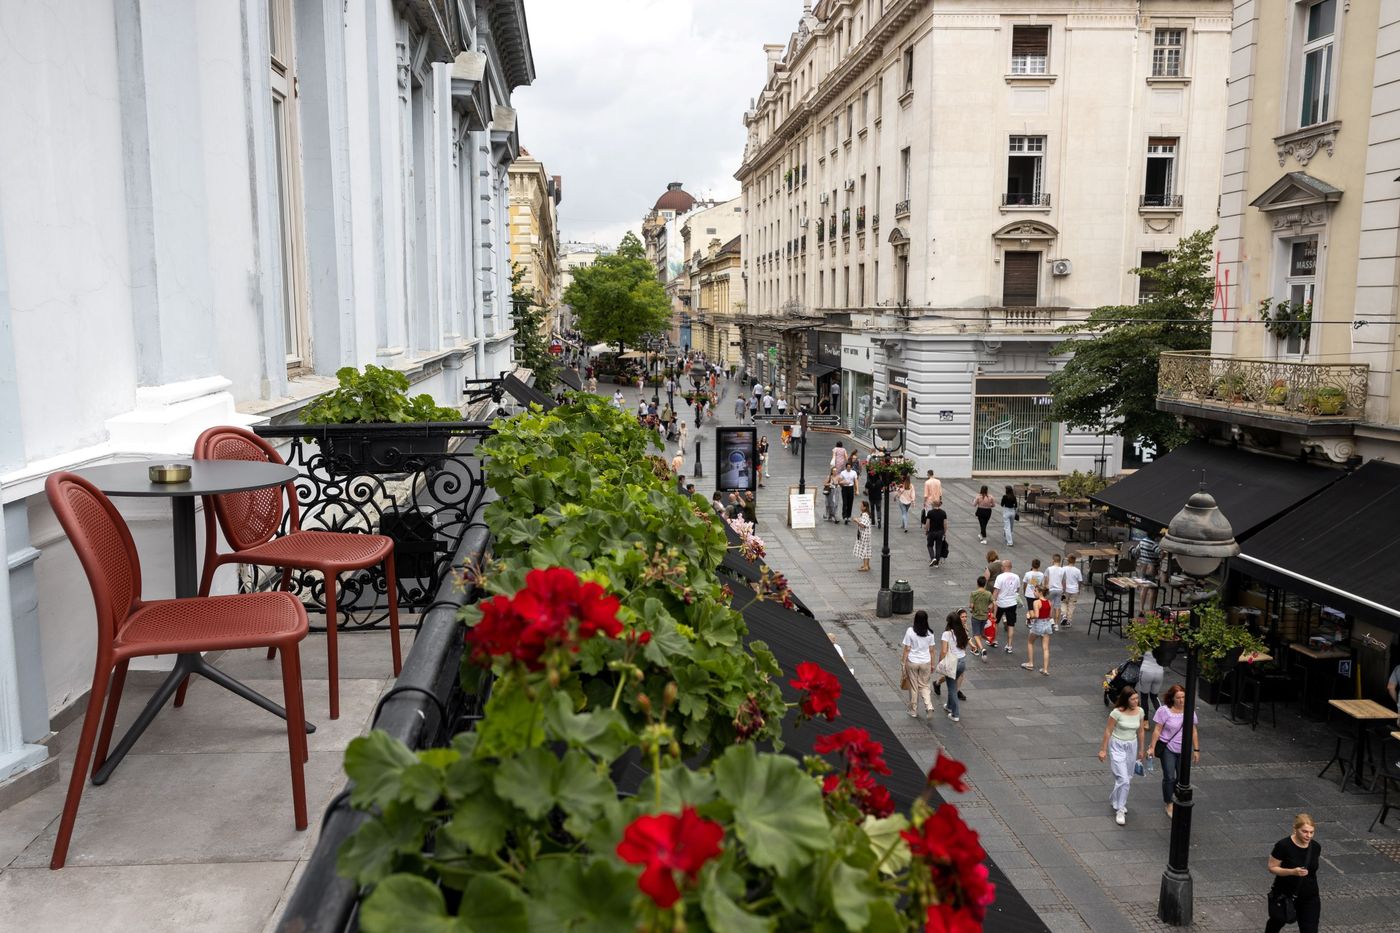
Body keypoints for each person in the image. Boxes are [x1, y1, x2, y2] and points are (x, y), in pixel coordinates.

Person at [1149, 683, 1200, 819]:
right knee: (1169, 777)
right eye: (1178, 697)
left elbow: (1193, 731)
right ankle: (1169, 802)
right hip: (1168, 749)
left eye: (1183, 697)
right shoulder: (1164, 711)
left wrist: (1196, 749)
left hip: (1184, 749)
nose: (1181, 700)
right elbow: (1157, 730)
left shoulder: (1189, 711)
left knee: (1181, 778)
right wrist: (1152, 747)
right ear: (1172, 698)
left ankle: (1175, 794)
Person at [1097, 687, 1147, 826]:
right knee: (1123, 779)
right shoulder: (1116, 713)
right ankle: (1120, 809)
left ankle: (1115, 799)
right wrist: (1103, 750)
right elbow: (1108, 730)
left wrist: (1141, 750)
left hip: (1132, 745)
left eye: (1137, 698)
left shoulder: (1140, 711)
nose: (1136, 701)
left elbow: (1141, 731)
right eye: (1132, 699)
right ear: (1126, 699)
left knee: (1127, 777)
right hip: (1117, 745)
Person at [1266, 814, 1321, 933]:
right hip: (1285, 894)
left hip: (1309, 896)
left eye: (1312, 832)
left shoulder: (1315, 847)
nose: (1309, 835)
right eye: (1305, 831)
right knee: (1276, 923)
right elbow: (1272, 867)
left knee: (1310, 930)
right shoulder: (1283, 846)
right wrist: (1292, 872)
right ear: (1295, 829)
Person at [901, 610, 938, 718]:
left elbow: (907, 649)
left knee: (913, 687)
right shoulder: (930, 633)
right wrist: (932, 664)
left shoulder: (910, 631)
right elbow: (932, 650)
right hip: (925, 662)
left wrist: (903, 663)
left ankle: (913, 711)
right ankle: (929, 706)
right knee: (924, 685)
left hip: (912, 662)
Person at [939, 610, 970, 723]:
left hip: (952, 662)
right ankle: (949, 706)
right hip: (962, 661)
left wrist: (941, 662)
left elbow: (943, 651)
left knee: (952, 688)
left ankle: (955, 714)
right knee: (952, 683)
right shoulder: (962, 631)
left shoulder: (946, 634)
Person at [1023, 585, 1053, 675]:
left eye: (1035, 591)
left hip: (1038, 624)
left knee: (1030, 642)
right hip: (1047, 624)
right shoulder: (1049, 602)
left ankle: (1030, 663)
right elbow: (1050, 615)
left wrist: (1029, 616)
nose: (1034, 592)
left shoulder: (1036, 602)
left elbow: (1036, 615)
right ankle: (1045, 669)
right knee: (1046, 648)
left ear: (1040, 592)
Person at [993, 560, 1021, 655]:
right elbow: (1017, 589)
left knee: (996, 622)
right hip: (1012, 603)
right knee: (1011, 625)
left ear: (1004, 567)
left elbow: (996, 591)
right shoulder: (1016, 576)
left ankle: (994, 640)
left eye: (1001, 566)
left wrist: (992, 601)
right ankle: (1009, 645)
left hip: (1001, 603)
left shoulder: (1000, 577)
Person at [1137, 643, 1165, 718]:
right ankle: (1164, 719)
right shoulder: (1164, 644)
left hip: (1146, 672)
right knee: (1154, 696)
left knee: (1144, 697)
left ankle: (1145, 721)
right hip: (1159, 672)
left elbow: (1138, 657)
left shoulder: (1144, 643)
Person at [970, 576, 994, 657]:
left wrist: (972, 608)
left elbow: (971, 605)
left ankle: (981, 649)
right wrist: (990, 609)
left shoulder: (974, 593)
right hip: (984, 616)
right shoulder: (988, 593)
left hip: (976, 616)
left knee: (976, 634)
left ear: (977, 583)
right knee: (980, 633)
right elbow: (993, 603)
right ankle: (975, 649)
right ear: (985, 584)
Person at [922, 498, 948, 567]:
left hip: (932, 532)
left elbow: (927, 523)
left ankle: (933, 558)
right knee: (938, 547)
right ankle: (937, 563)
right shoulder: (943, 512)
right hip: (940, 532)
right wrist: (945, 532)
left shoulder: (930, 512)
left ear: (933, 504)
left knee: (930, 545)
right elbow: (945, 524)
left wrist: (926, 530)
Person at [1061, 553, 1084, 628]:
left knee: (1064, 602)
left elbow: (1061, 579)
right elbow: (1080, 581)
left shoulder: (1063, 569)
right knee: (1071, 605)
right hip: (1074, 590)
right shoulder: (1077, 570)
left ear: (1067, 560)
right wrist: (1079, 589)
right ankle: (1069, 620)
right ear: (1075, 561)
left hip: (1065, 590)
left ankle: (1064, 615)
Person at [1046, 553, 1065, 626]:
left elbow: (1046, 579)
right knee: (1057, 607)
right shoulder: (1062, 570)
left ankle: (1051, 620)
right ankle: (1056, 624)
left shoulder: (1049, 569)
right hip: (1059, 590)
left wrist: (1045, 587)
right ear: (1060, 561)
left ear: (1053, 560)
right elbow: (1064, 581)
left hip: (1051, 589)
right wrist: (1064, 590)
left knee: (1050, 605)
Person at [853, 502, 873, 571]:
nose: (860, 507)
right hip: (867, 534)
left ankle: (865, 566)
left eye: (861, 506)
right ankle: (867, 564)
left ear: (865, 507)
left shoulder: (864, 514)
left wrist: (856, 521)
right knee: (867, 549)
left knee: (864, 550)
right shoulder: (867, 514)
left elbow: (863, 525)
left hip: (864, 534)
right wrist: (858, 519)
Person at [838, 459, 858, 524]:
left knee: (850, 502)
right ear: (846, 467)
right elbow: (839, 482)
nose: (848, 468)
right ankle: (844, 516)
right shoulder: (842, 473)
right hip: (845, 488)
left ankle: (849, 515)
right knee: (845, 502)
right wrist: (843, 483)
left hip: (851, 488)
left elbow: (855, 481)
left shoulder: (854, 473)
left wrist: (856, 490)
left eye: (850, 467)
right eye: (847, 467)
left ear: (851, 467)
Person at [865, 463, 884, 529]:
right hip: (878, 497)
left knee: (872, 509)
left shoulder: (869, 482)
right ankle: (879, 521)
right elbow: (882, 488)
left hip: (871, 497)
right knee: (878, 510)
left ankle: (873, 521)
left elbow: (866, 490)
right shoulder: (880, 482)